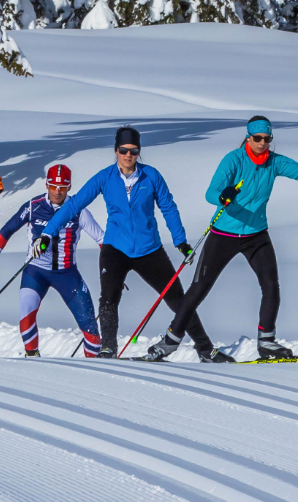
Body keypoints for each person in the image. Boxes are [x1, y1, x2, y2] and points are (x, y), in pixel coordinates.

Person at [142, 115, 298, 362]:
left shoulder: (274, 163)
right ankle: (169, 343)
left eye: (267, 139)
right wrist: (223, 196)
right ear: (248, 137)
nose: (262, 143)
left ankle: (266, 342)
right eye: (257, 138)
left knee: (271, 286)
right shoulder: (233, 160)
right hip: (223, 234)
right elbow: (210, 193)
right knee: (199, 289)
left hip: (257, 235)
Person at [41, 126, 229, 361]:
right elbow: (74, 205)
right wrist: (48, 232)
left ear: (139, 152)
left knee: (177, 299)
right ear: (115, 151)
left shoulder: (151, 176)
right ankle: (108, 347)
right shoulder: (105, 177)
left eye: (133, 151)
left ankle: (205, 349)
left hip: (149, 249)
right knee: (109, 298)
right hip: (115, 248)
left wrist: (180, 241)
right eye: (123, 150)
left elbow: (168, 208)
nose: (128, 155)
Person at [0, 163, 105, 357]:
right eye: (53, 186)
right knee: (26, 318)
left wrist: (111, 268)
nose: (57, 191)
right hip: (35, 271)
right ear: (46, 184)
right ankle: (32, 360)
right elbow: (6, 231)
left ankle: (94, 369)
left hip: (66, 273)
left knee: (91, 330)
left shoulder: (79, 210)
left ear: (69, 187)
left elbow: (102, 240)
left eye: (62, 187)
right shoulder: (33, 206)